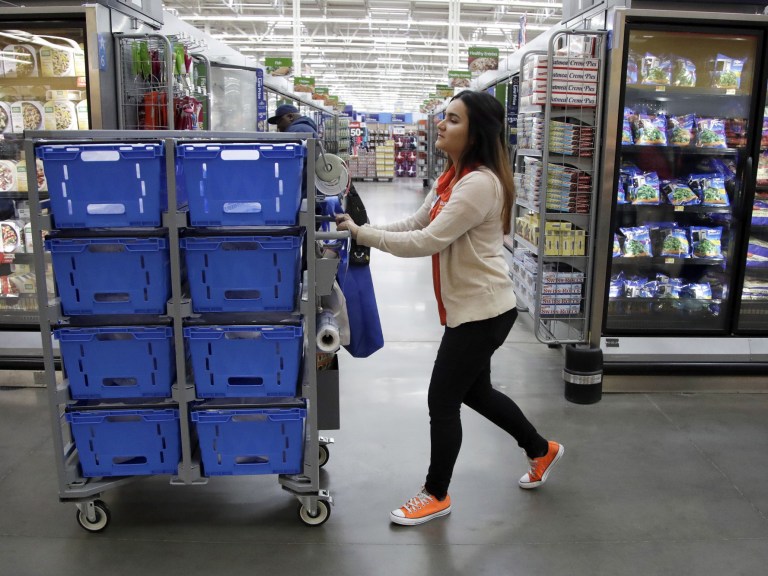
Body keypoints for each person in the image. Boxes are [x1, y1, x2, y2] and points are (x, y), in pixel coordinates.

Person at [336, 90, 564, 526]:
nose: (441, 125)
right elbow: (417, 223)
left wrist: (364, 237)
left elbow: (427, 242)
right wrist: (362, 228)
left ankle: (436, 493)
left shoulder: (479, 183)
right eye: (444, 118)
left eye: (453, 120)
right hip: (473, 309)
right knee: (476, 393)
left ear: (475, 132)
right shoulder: (453, 176)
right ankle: (541, 448)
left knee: (442, 400)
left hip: (483, 312)